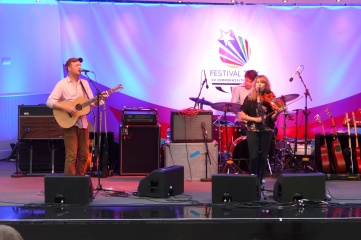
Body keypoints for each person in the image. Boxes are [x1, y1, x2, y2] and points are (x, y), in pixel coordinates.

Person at [47, 57, 106, 176]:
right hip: (69, 123)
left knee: (84, 155)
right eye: (77, 65)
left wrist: (100, 99)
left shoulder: (84, 83)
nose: (80, 67)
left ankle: (80, 182)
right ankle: (69, 186)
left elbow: (91, 103)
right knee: (71, 156)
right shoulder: (62, 84)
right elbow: (50, 101)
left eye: (80, 65)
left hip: (82, 122)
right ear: (69, 68)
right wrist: (67, 108)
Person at [240, 75, 284, 188]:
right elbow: (242, 114)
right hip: (253, 130)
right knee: (254, 157)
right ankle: (252, 179)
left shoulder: (270, 99)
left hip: (266, 130)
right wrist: (255, 119)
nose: (259, 84)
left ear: (266, 85)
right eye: (258, 82)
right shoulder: (250, 98)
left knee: (263, 156)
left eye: (262, 82)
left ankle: (260, 180)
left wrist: (278, 112)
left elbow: (271, 119)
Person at [231, 70, 258, 136]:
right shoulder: (238, 88)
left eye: (250, 82)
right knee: (244, 128)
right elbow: (233, 106)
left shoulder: (257, 89)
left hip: (255, 120)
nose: (248, 83)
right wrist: (241, 113)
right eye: (246, 81)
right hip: (242, 121)